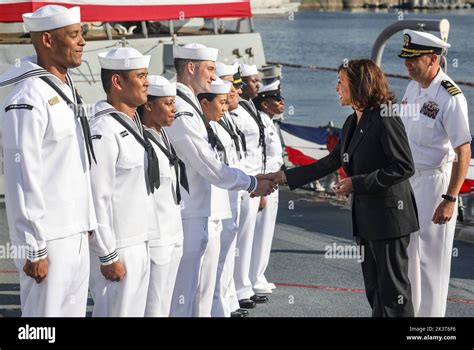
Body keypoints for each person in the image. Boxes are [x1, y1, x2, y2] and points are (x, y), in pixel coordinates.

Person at [269, 59, 419, 317]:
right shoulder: (352, 122)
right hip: (366, 220)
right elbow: (330, 162)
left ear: (359, 85)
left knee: (393, 294)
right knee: (375, 291)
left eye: (341, 82)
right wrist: (282, 177)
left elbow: (404, 166)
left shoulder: (386, 117)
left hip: (390, 219)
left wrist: (356, 183)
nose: (336, 88)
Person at [0, 5, 97, 317]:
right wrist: (33, 246)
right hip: (49, 237)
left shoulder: (65, 88)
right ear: (46, 41)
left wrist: (89, 221)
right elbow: (21, 175)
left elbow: (77, 165)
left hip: (76, 231)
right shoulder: (27, 98)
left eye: (81, 33)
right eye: (72, 35)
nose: (82, 41)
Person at [166, 43, 276, 317]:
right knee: (182, 299)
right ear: (191, 67)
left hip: (201, 211)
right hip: (187, 214)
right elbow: (210, 165)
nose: (214, 78)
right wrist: (252, 183)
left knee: (198, 295)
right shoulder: (182, 110)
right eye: (211, 69)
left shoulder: (190, 107)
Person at [398, 30, 471, 317]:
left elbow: (463, 150)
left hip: (434, 183)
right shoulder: (412, 88)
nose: (407, 63)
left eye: (413, 58)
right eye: (406, 58)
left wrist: (450, 198)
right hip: (408, 181)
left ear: (433, 59)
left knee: (432, 261)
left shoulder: (451, 97)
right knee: (410, 257)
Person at [88, 47, 160, 317]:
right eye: (140, 75)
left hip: (138, 240)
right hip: (118, 246)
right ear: (117, 82)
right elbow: (97, 197)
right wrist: (108, 254)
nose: (147, 82)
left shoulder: (132, 124)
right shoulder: (104, 130)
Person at [138, 75, 186, 317]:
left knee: (165, 303)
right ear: (148, 106)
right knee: (153, 306)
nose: (174, 109)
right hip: (156, 238)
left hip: (173, 231)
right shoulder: (140, 140)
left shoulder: (163, 134)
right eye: (168, 103)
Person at [211, 62, 249, 317]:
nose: (233, 90)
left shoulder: (226, 119)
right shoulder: (212, 122)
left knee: (226, 253)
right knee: (217, 258)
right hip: (221, 196)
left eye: (234, 85)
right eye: (228, 84)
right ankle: (219, 304)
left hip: (234, 193)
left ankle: (227, 299)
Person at [231, 63, 269, 308]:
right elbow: (240, 154)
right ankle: (238, 289)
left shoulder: (248, 108)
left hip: (254, 181)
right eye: (253, 81)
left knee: (247, 238)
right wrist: (251, 184)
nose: (258, 85)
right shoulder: (235, 112)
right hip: (245, 183)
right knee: (239, 239)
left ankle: (242, 285)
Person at [251, 80, 285, 294]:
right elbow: (260, 158)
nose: (282, 103)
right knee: (259, 233)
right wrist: (260, 192)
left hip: (273, 184)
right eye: (277, 99)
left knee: (266, 231)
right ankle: (253, 277)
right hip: (265, 184)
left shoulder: (269, 122)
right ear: (264, 103)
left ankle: (258, 275)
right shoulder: (261, 123)